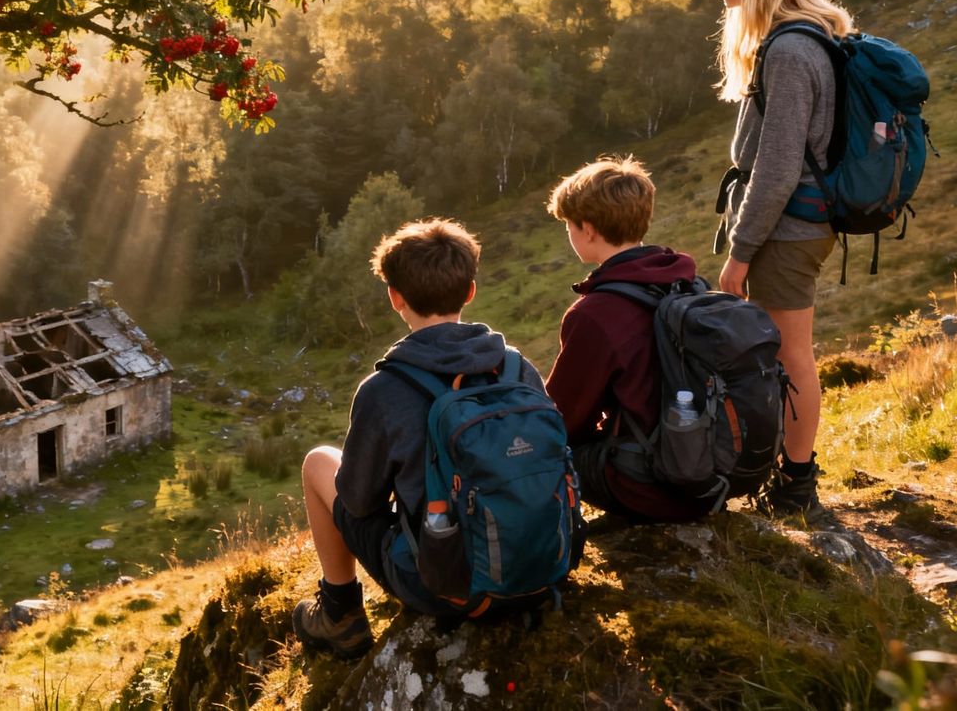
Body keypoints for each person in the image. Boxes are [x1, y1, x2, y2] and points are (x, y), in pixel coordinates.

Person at [292, 218, 548, 659]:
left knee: (319, 461)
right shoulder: (515, 368)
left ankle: (340, 613)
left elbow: (357, 502)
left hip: (445, 585)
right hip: (540, 565)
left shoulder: (384, 389)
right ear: (470, 291)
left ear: (396, 298)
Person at [702, 0, 852, 515]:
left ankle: (795, 485)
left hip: (787, 231)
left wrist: (739, 253)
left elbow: (779, 167)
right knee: (786, 353)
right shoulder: (807, 33)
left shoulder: (789, 51)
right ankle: (786, 474)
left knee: (790, 355)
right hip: (795, 226)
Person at [544, 155, 718, 524]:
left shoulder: (595, 313)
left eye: (568, 227)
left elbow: (561, 419)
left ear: (587, 230)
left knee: (539, 444)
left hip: (650, 486)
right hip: (708, 476)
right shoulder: (687, 285)